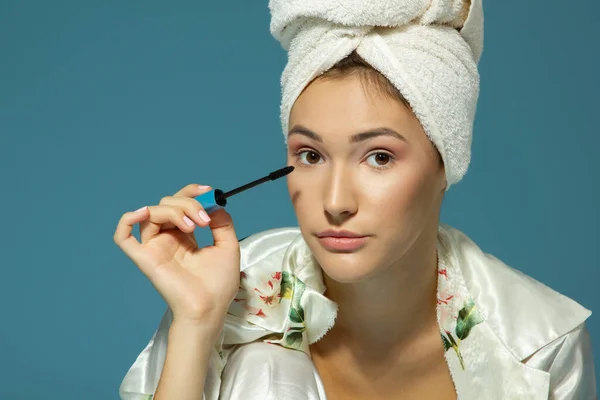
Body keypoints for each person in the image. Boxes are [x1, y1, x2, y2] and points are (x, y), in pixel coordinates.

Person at [114, 0, 596, 399]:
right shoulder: (232, 286)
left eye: (380, 157)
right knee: (263, 365)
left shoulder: (538, 344)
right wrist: (196, 323)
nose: (336, 201)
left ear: (446, 163)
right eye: (310, 154)